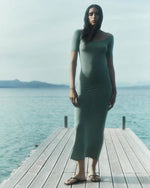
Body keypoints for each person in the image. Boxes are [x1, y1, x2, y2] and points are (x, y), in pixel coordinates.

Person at [65, 4, 116, 185]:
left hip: (103, 89)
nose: (93, 16)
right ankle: (80, 172)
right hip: (84, 90)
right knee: (80, 126)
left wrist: (114, 89)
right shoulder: (78, 35)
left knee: (97, 129)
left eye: (96, 14)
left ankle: (93, 169)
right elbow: (72, 62)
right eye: (90, 13)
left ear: (101, 16)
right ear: (86, 16)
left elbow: (110, 65)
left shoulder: (109, 38)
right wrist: (72, 87)